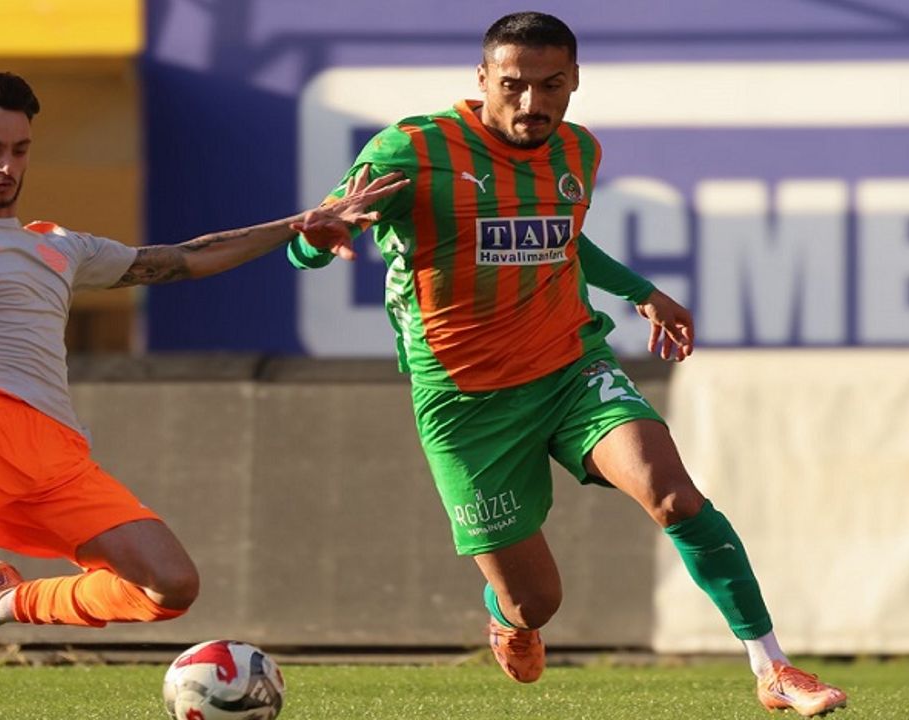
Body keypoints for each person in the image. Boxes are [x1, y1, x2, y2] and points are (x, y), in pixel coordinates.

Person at [0, 68, 407, 692]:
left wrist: (300, 224)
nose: (6, 167)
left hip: (55, 451)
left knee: (170, 588)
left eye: (19, 150)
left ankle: (0, 603)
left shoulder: (60, 247)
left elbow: (184, 258)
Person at [288, 12, 846, 718]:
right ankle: (510, 618)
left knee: (673, 495)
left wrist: (641, 292)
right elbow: (312, 239)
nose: (532, 103)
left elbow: (563, 237)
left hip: (571, 367)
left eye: (551, 85)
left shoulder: (578, 150)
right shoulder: (412, 148)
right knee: (535, 601)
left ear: (575, 79)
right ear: (483, 78)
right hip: (466, 403)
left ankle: (773, 668)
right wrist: (317, 240)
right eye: (513, 85)